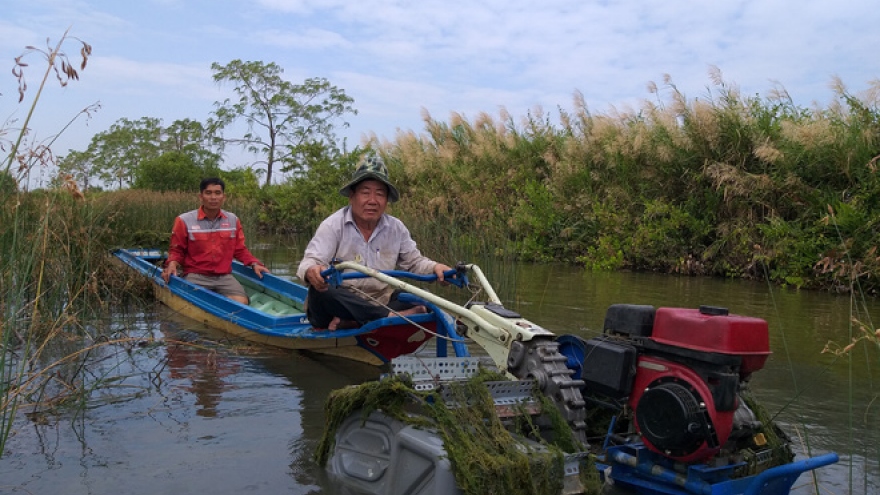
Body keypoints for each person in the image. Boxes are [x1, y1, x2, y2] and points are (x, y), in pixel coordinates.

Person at [297, 155, 452, 330]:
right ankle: (384, 317)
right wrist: (312, 271)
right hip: (340, 303)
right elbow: (309, 261)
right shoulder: (333, 225)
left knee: (422, 298)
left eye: (379, 194)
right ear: (352, 196)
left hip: (380, 300)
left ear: (386, 200)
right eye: (365, 193)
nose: (372, 201)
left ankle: (356, 321)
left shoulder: (396, 228)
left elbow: (415, 263)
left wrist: (436, 268)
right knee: (320, 291)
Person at [161, 177, 270, 305]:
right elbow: (177, 250)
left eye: (218, 193)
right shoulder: (184, 220)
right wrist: (172, 264)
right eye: (208, 193)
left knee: (241, 303)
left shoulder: (232, 220)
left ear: (223, 197)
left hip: (223, 276)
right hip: (195, 275)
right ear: (201, 196)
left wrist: (254, 263)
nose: (213, 197)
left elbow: (240, 249)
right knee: (196, 302)